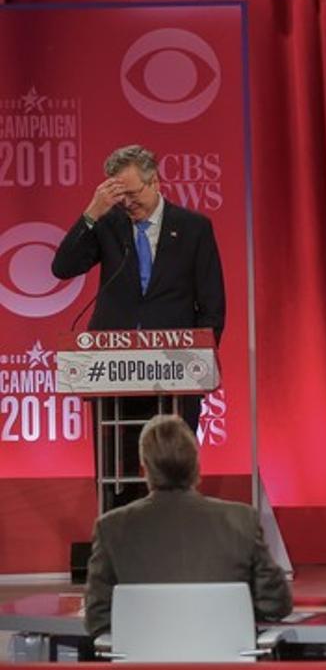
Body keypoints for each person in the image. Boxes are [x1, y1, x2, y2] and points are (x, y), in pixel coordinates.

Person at [52, 145, 226, 509]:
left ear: (155, 182)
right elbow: (62, 267)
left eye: (133, 193)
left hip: (176, 370)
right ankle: (121, 542)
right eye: (119, 195)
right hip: (115, 372)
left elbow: (212, 304)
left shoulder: (193, 228)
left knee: (173, 468)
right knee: (119, 467)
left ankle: (176, 546)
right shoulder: (109, 224)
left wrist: (201, 359)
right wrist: (91, 214)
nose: (127, 203)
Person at [84, 414, 292, 636]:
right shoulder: (242, 520)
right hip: (226, 667)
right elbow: (276, 604)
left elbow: (97, 619)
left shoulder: (111, 528)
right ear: (197, 464)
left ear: (144, 469)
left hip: (143, 667)